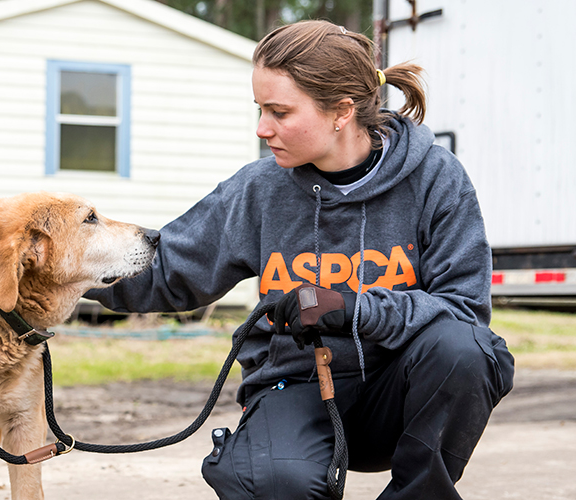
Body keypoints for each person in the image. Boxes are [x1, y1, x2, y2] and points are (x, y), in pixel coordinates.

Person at [84, 20, 515, 500]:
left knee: (467, 351)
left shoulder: (436, 178)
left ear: (342, 111)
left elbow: (464, 313)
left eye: (280, 112)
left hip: (397, 396)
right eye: (260, 109)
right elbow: (166, 271)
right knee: (273, 483)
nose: (262, 128)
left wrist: (353, 308)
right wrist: (54, 274)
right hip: (296, 385)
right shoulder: (259, 189)